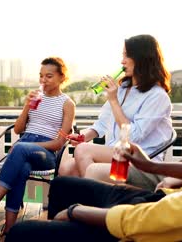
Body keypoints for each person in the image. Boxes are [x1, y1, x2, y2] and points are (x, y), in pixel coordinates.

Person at [0, 57, 75, 240]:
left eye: (49, 76)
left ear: (62, 77)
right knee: (22, 169)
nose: (43, 80)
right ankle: (9, 231)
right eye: (41, 75)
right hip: (24, 149)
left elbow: (59, 143)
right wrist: (26, 108)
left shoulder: (67, 104)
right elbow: (19, 129)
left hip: (46, 152)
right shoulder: (35, 97)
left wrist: (27, 146)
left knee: (20, 149)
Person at [6, 143, 182, 242]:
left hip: (148, 220)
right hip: (161, 197)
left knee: (20, 233)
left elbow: (143, 220)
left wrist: (75, 211)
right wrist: (153, 166)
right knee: (62, 185)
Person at [59, 34, 172, 190]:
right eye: (122, 55)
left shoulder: (157, 96)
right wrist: (83, 136)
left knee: (83, 150)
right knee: (67, 168)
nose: (122, 61)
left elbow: (133, 136)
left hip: (140, 158)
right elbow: (102, 123)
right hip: (114, 152)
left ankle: (101, 200)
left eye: (127, 55)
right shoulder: (122, 89)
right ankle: (83, 206)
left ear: (142, 58)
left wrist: (113, 100)